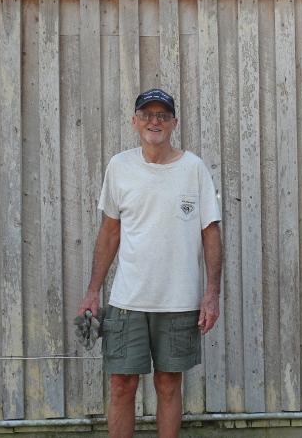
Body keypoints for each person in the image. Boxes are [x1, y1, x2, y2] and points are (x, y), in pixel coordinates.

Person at [77, 88, 222, 438]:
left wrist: (211, 293)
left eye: (162, 115)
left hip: (179, 300)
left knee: (169, 384)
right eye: (147, 114)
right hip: (128, 300)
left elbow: (211, 232)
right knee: (121, 384)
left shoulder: (194, 169)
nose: (154, 122)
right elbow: (110, 232)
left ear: (174, 122)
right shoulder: (120, 166)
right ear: (134, 121)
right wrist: (93, 291)